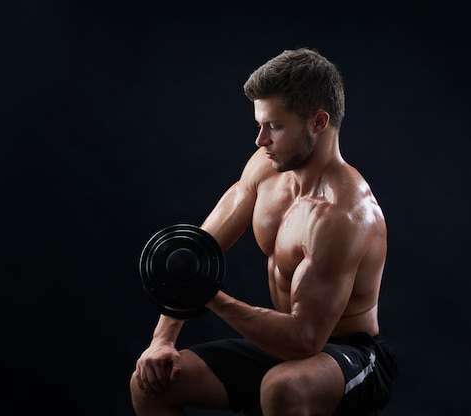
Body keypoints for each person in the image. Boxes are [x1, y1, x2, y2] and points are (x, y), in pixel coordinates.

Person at [130, 47, 397, 416]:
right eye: (260, 124)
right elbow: (196, 251)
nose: (260, 139)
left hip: (350, 353)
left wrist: (209, 295)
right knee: (152, 384)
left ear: (318, 122)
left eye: (275, 126)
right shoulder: (266, 168)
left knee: (282, 387)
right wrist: (162, 340)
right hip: (283, 343)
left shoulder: (343, 215)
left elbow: (305, 339)